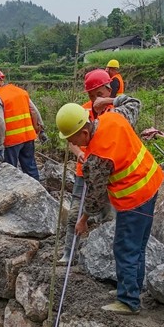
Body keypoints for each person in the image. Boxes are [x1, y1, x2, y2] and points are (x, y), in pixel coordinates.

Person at [55, 94, 164, 315]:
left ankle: (128, 301)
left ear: (84, 132)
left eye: (74, 140)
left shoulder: (97, 158)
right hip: (151, 183)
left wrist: (83, 220)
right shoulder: (113, 117)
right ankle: (131, 288)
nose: (73, 144)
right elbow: (134, 102)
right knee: (138, 246)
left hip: (134, 199)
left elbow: (95, 198)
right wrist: (108, 100)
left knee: (125, 248)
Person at [59, 69, 116, 265]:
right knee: (75, 214)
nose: (95, 99)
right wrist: (80, 154)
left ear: (109, 90)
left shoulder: (115, 112)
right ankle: (69, 253)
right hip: (83, 172)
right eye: (92, 95)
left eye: (99, 94)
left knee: (108, 215)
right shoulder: (82, 112)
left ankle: (107, 259)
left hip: (109, 173)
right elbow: (71, 139)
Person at [0, 68, 46, 180]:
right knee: (31, 168)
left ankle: (11, 195)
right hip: (28, 138)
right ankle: (36, 192)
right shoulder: (21, 91)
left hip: (12, 142)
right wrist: (41, 130)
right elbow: (34, 111)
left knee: (10, 172)